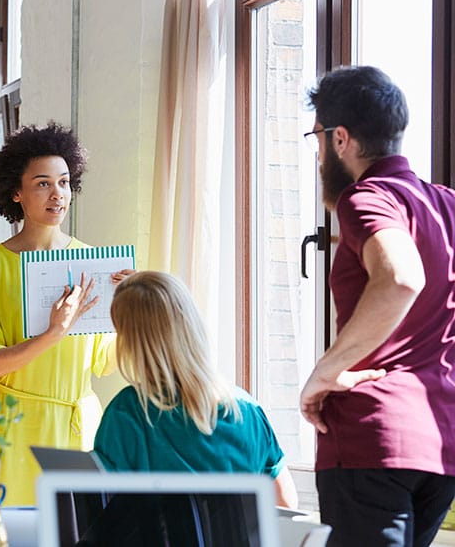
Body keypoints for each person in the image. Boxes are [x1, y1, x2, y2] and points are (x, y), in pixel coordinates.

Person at [299, 65, 455, 547]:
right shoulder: (446, 204)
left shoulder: (368, 196)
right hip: (440, 447)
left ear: (339, 138)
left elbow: (400, 277)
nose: (319, 151)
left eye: (317, 137)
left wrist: (325, 371)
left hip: (373, 441)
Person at [0, 122, 131, 506]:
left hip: (80, 427)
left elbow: (107, 363)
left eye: (63, 182)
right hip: (13, 429)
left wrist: (131, 308)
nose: (56, 194)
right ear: (16, 192)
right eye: (42, 183)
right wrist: (51, 334)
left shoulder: (94, 263)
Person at [93, 271, 298, 509]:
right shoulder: (247, 409)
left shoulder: (128, 412)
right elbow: (286, 505)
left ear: (131, 343)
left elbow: (103, 512)